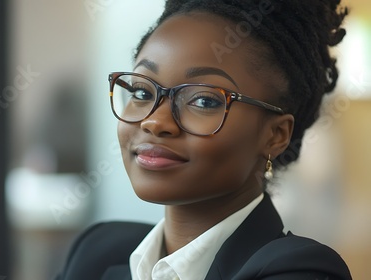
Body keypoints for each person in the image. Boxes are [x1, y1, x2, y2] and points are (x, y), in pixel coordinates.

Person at [57, 0, 352, 279]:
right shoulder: (97, 253)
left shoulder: (301, 269)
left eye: (204, 101)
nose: (155, 121)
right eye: (143, 93)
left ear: (275, 135)